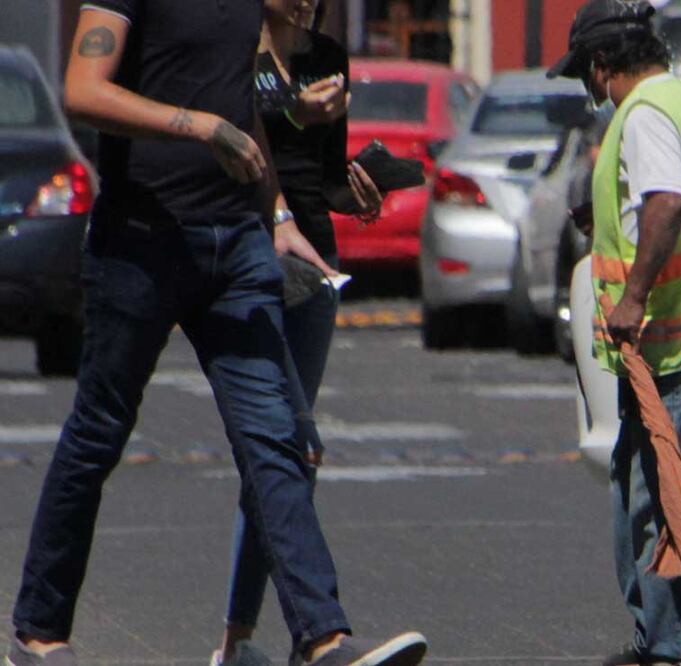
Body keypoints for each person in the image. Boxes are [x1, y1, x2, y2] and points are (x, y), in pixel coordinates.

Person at [5, 3, 425, 666]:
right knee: (98, 434)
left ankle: (323, 639)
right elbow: (83, 90)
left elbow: (241, 110)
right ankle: (38, 630)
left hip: (237, 245)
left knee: (275, 440)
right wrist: (200, 128)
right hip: (141, 244)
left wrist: (278, 213)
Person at [548, 1, 681, 664]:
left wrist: (633, 295)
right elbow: (663, 207)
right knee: (646, 503)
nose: (590, 91)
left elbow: (667, 202)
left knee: (676, 509)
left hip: (678, 347)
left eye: (586, 75)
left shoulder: (643, 115)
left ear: (604, 66)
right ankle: (661, 642)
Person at [211, 0, 385, 664]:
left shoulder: (326, 58)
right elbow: (239, 140)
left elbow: (323, 172)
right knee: (288, 445)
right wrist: (294, 113)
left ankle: (249, 641)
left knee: (288, 459)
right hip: (250, 258)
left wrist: (360, 190)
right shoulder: (232, 52)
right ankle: (270, 637)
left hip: (316, 266)